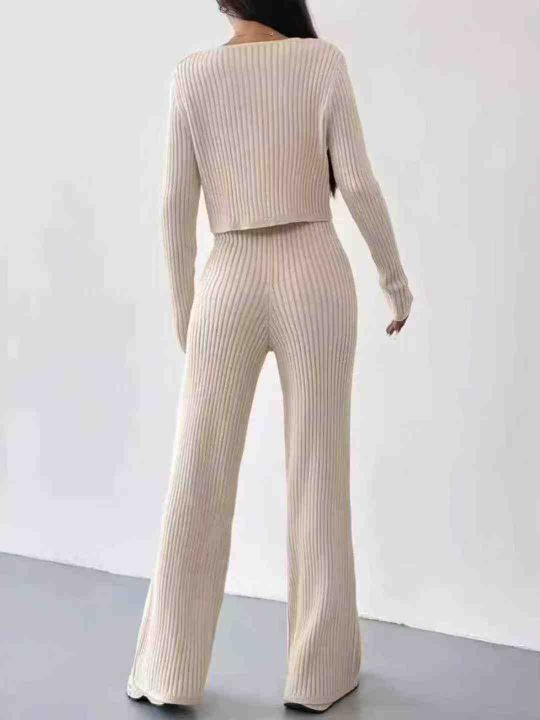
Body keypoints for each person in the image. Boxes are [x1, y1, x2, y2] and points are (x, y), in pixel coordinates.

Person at [126, 0, 413, 713]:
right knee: (319, 470)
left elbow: (174, 205)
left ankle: (167, 671)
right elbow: (358, 183)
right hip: (316, 270)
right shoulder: (321, 62)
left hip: (227, 276)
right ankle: (320, 674)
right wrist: (394, 280)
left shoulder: (193, 76)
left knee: (198, 473)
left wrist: (186, 315)